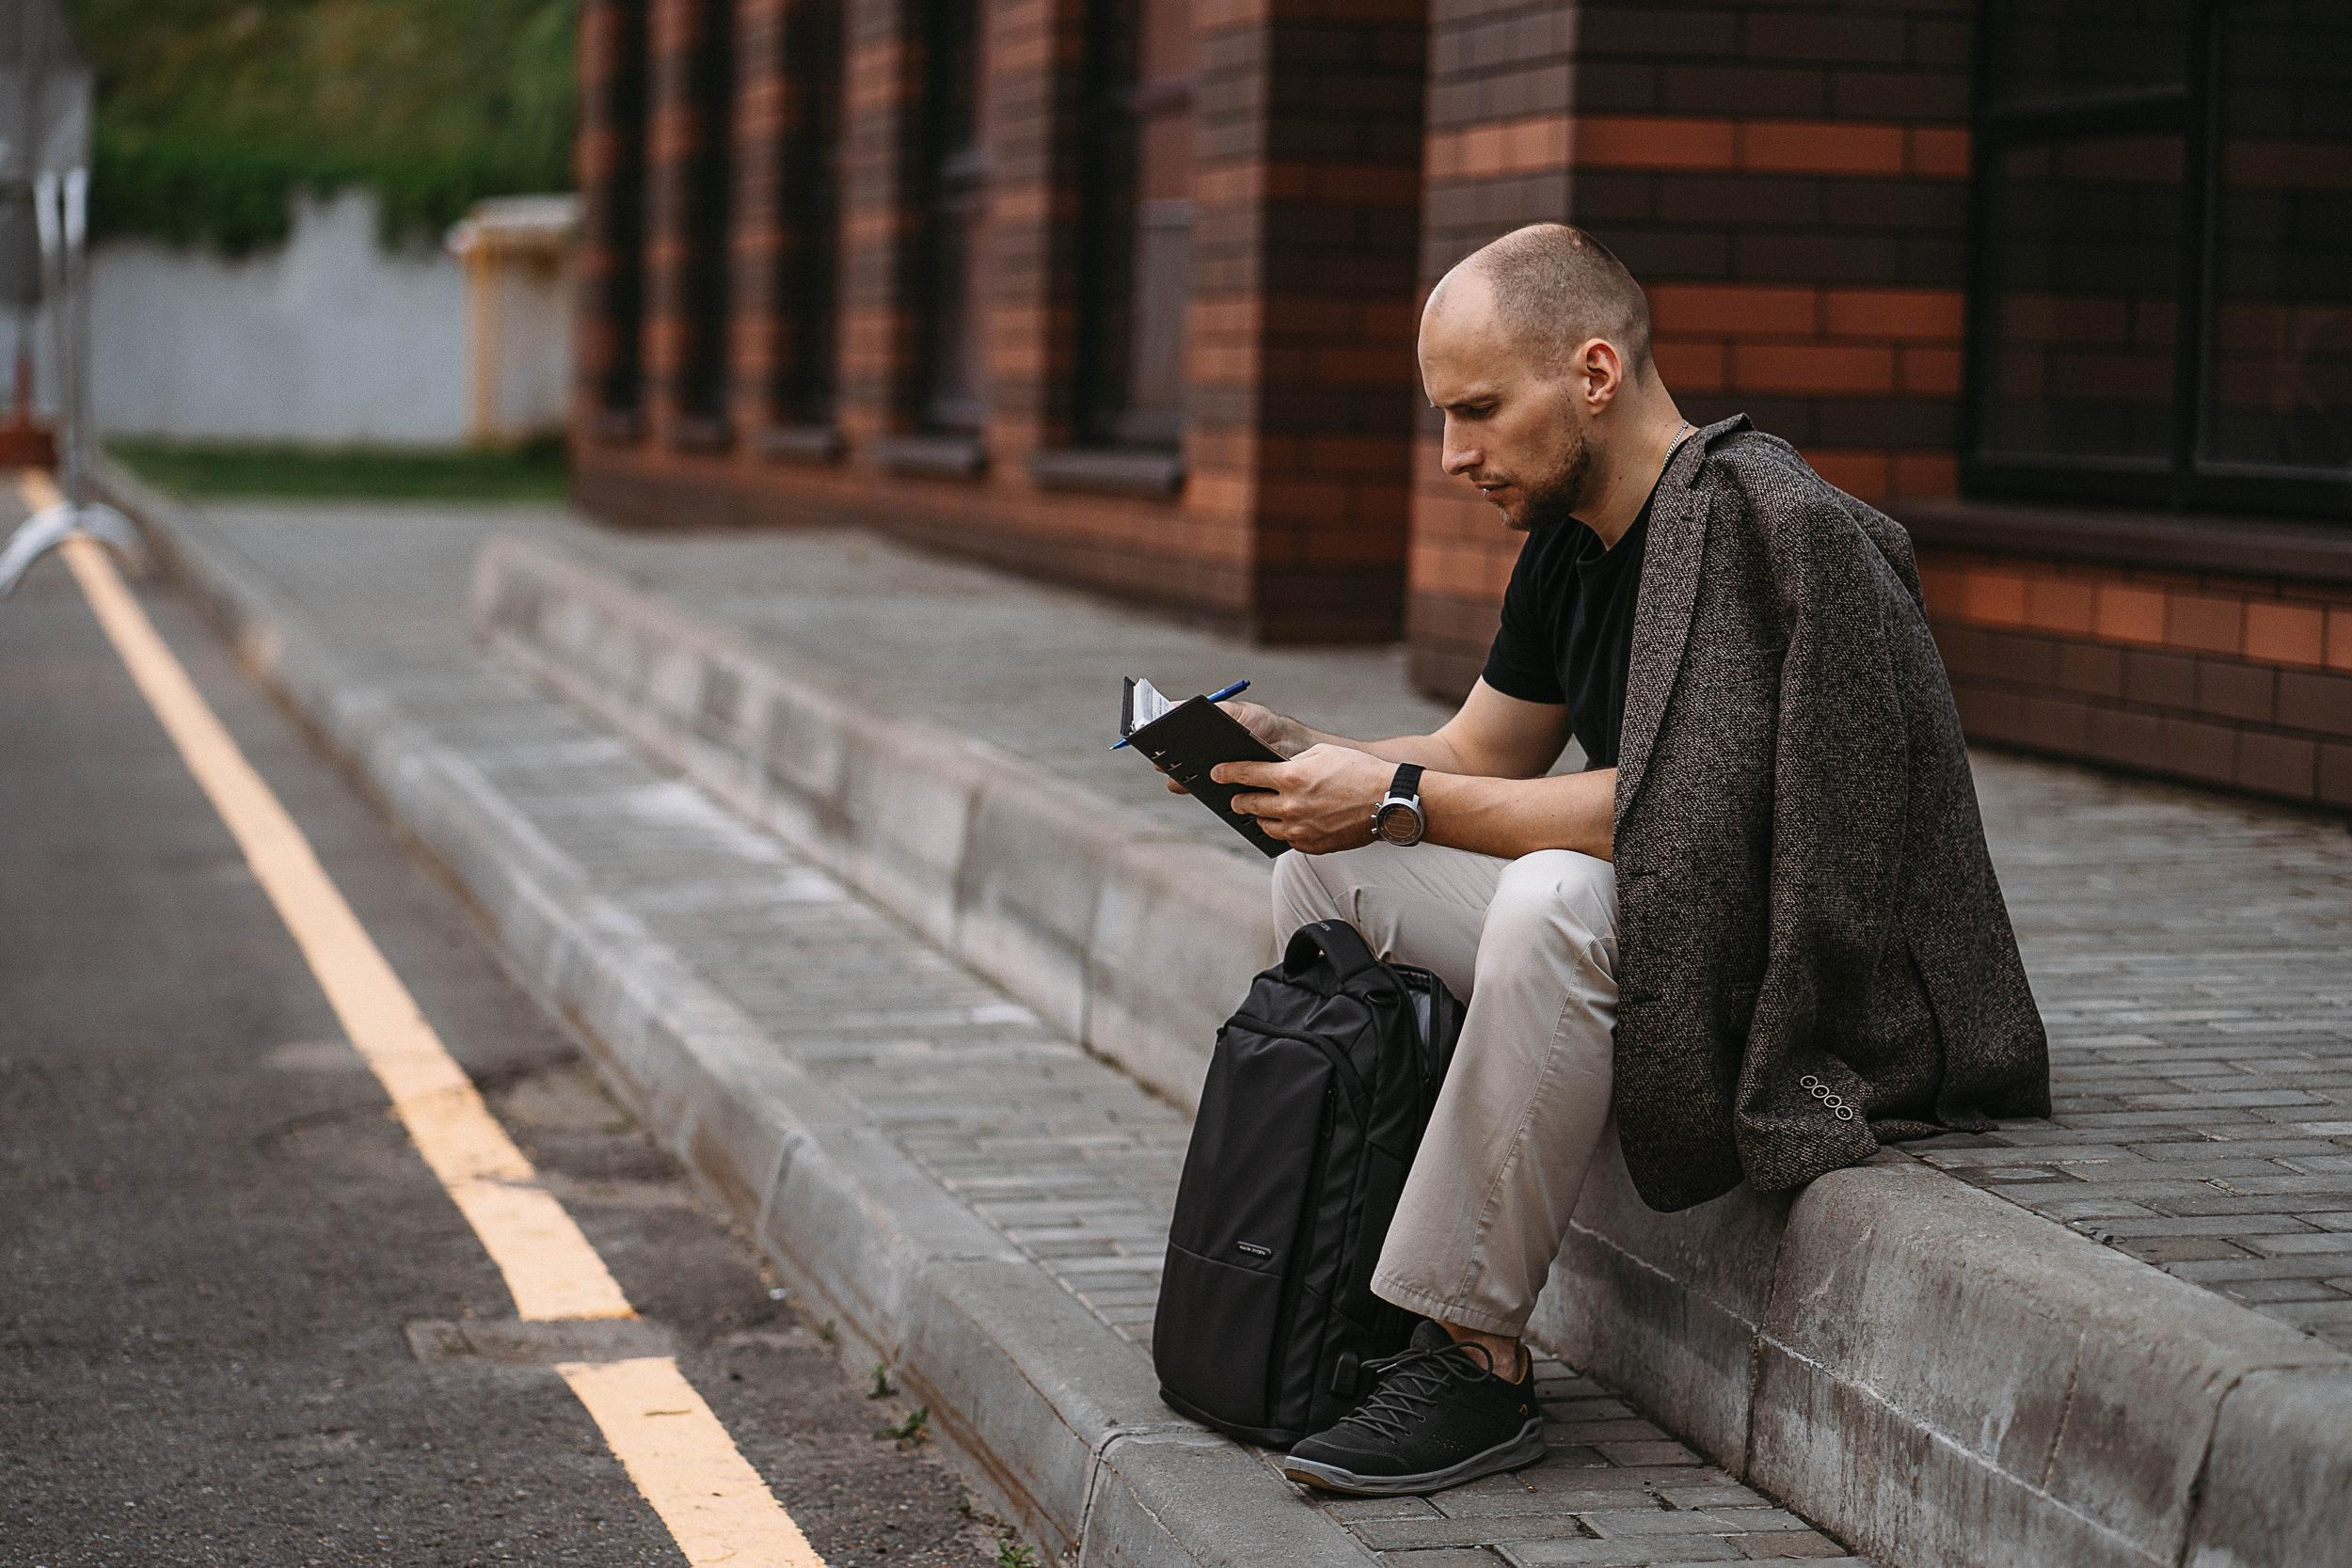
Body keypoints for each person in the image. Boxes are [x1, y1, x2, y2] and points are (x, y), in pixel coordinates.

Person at [1179, 224, 2050, 1497]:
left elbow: (1676, 818)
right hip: (1661, 940)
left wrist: (1401, 796)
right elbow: (1483, 747)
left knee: (1552, 895)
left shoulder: (1773, 524)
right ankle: (1355, 1263)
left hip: (1801, 979)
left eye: (1476, 410)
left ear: (1594, 373)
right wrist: (1298, 753)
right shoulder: (1569, 541)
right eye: (1441, 417)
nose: (1451, 456)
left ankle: (1474, 1358)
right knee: (1321, 874)